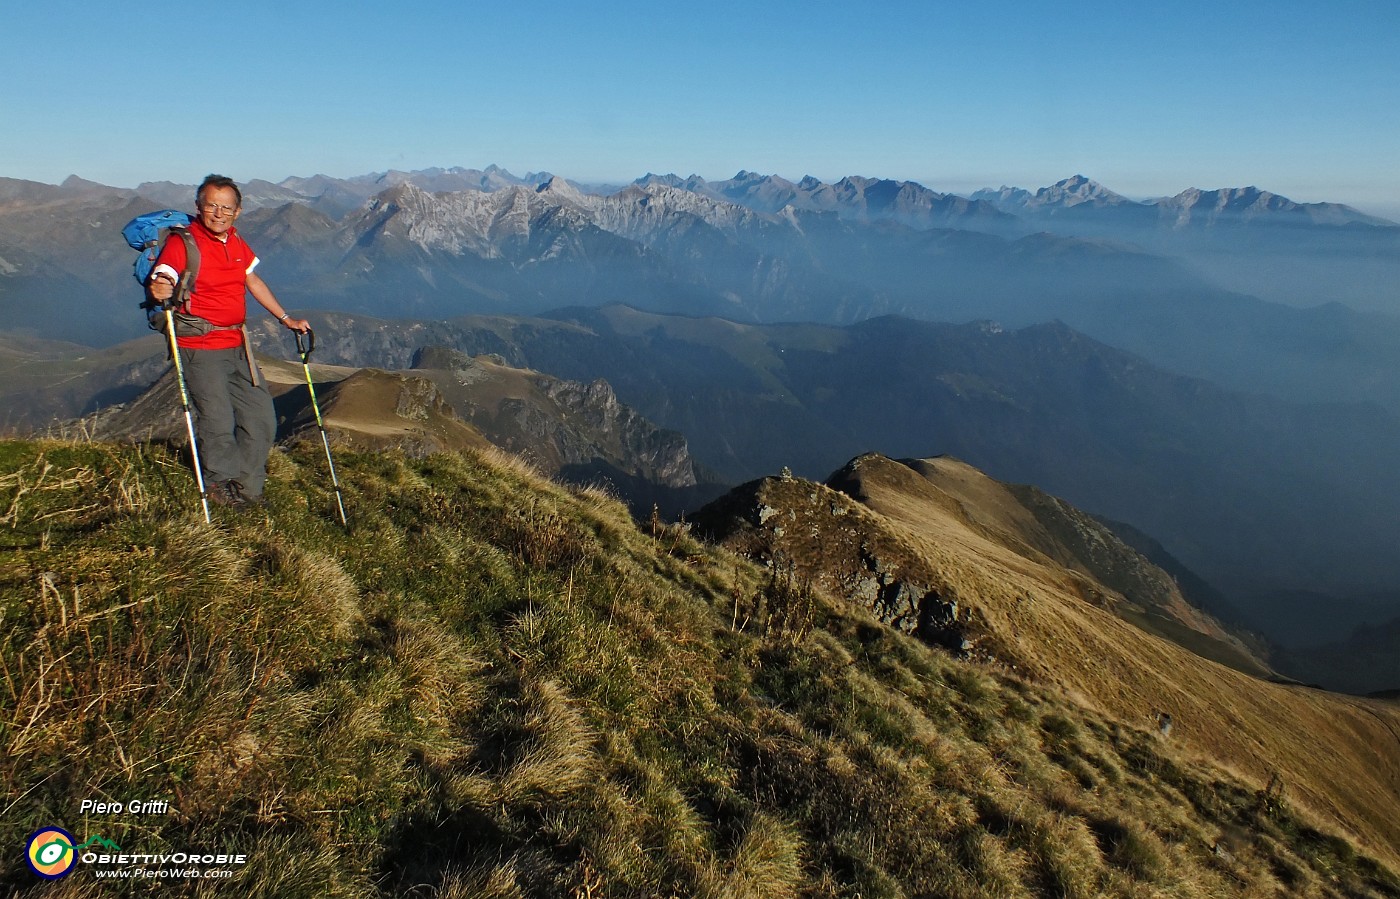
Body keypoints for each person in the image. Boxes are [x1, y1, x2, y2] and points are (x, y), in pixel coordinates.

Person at [146, 174, 309, 508]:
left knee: (261, 417)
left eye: (226, 207)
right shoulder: (183, 243)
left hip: (237, 345)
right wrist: (160, 284)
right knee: (217, 419)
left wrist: (285, 318)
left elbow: (251, 279)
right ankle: (221, 486)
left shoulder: (234, 241)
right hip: (199, 347)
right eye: (211, 206)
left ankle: (249, 487)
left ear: (238, 211)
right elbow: (165, 274)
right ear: (198, 207)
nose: (218, 213)